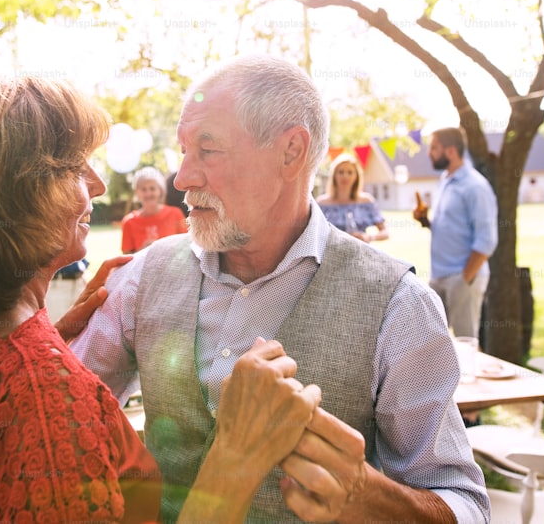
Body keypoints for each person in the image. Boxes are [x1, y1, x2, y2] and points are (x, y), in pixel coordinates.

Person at [0, 67, 326, 523]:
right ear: (11, 199)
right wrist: (237, 455)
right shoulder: (42, 399)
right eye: (73, 166)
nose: (99, 184)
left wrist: (43, 344)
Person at [73, 55, 489, 523]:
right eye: (183, 151)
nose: (182, 178)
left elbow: (464, 503)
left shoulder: (399, 305)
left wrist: (370, 499)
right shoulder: (140, 276)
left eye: (208, 151)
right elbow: (52, 422)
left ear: (291, 151)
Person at [412, 128, 498, 339]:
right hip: (438, 277)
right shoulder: (445, 180)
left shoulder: (475, 187)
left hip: (463, 276)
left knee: (465, 342)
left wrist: (464, 278)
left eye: (434, 148)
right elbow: (451, 227)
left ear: (450, 152)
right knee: (429, 341)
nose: (429, 153)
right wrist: (425, 221)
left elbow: (487, 240)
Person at [316, 152, 390, 243]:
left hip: (360, 252)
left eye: (350, 172)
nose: (345, 176)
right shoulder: (322, 203)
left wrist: (369, 237)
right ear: (334, 175)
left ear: (356, 176)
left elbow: (385, 232)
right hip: (330, 253)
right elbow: (312, 233)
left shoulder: (366, 201)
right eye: (341, 172)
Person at [121, 166, 188, 254]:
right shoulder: (129, 221)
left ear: (160, 190)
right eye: (143, 189)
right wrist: (142, 251)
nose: (148, 194)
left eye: (152, 188)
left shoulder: (175, 214)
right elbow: (126, 258)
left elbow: (187, 245)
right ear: (137, 192)